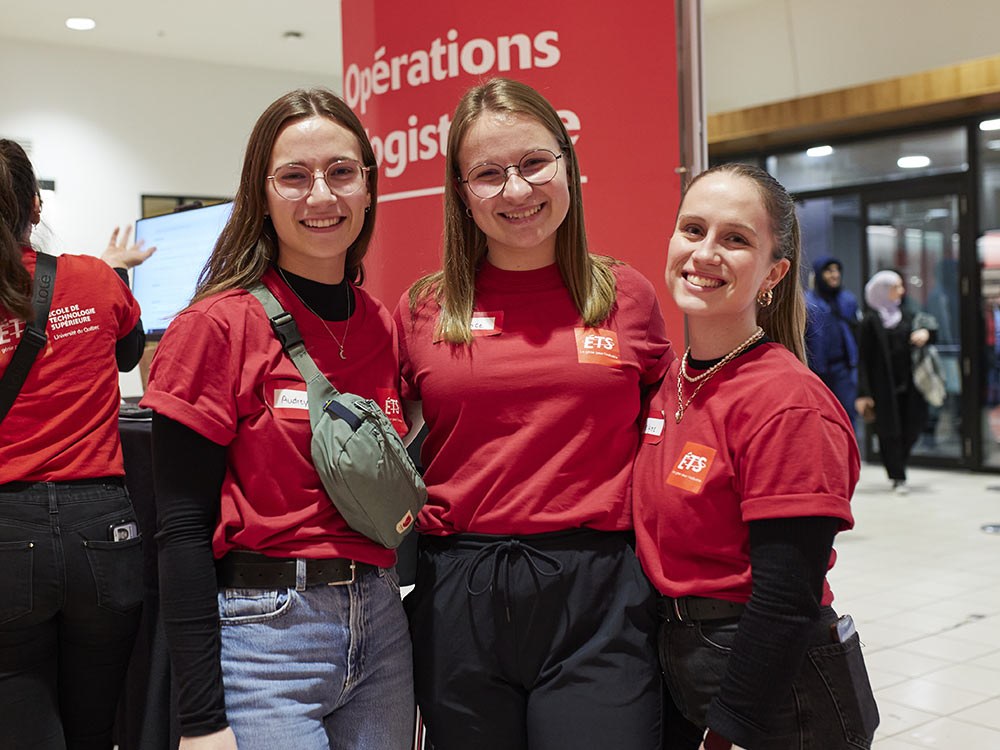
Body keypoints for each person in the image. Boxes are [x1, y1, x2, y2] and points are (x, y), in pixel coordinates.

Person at [394, 77, 675, 750]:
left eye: (532, 164)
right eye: (488, 174)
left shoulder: (625, 296)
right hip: (460, 590)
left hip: (601, 592)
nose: (516, 191)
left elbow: (676, 431)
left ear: (567, 166)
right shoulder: (423, 309)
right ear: (462, 193)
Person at [140, 89, 413, 750]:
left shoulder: (382, 324)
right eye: (295, 176)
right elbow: (179, 532)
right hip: (264, 636)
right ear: (261, 195)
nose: (322, 195)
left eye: (342, 172)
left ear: (370, 188)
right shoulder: (216, 323)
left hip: (381, 625)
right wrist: (202, 720)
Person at [632, 163, 879, 750]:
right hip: (687, 660)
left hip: (777, 688)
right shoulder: (671, 382)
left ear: (774, 273)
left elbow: (786, 598)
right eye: (693, 230)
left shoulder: (788, 403)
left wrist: (729, 732)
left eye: (736, 239)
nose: (706, 252)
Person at [0, 138, 151, 748]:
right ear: (37, 208)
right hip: (103, 531)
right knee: (96, 727)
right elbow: (128, 353)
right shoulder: (93, 278)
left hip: (8, 532)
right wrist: (111, 273)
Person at [855, 269, 935, 494]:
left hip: (910, 385)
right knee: (889, 431)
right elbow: (862, 359)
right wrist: (864, 392)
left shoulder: (907, 314)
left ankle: (900, 463)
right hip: (883, 388)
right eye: (895, 287)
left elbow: (929, 327)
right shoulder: (869, 321)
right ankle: (897, 475)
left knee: (915, 425)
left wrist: (926, 334)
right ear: (882, 291)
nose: (901, 291)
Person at [805, 255, 860, 424]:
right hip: (815, 370)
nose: (834, 275)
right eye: (829, 271)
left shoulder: (847, 300)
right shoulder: (807, 302)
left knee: (846, 417)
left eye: (837, 270)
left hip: (843, 368)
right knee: (819, 419)